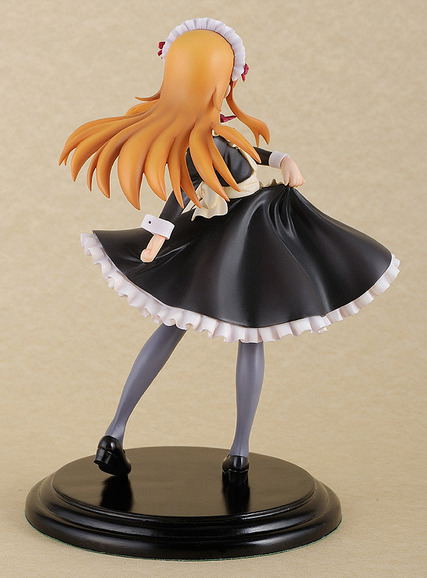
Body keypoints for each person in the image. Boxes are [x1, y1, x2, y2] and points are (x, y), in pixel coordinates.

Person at [60, 18, 400, 482]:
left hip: (228, 234)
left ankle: (118, 432)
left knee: (178, 326)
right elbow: (181, 195)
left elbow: (251, 157)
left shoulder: (214, 136)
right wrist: (157, 237)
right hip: (246, 235)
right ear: (220, 84)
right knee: (248, 333)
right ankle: (235, 452)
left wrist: (283, 159)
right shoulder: (202, 144)